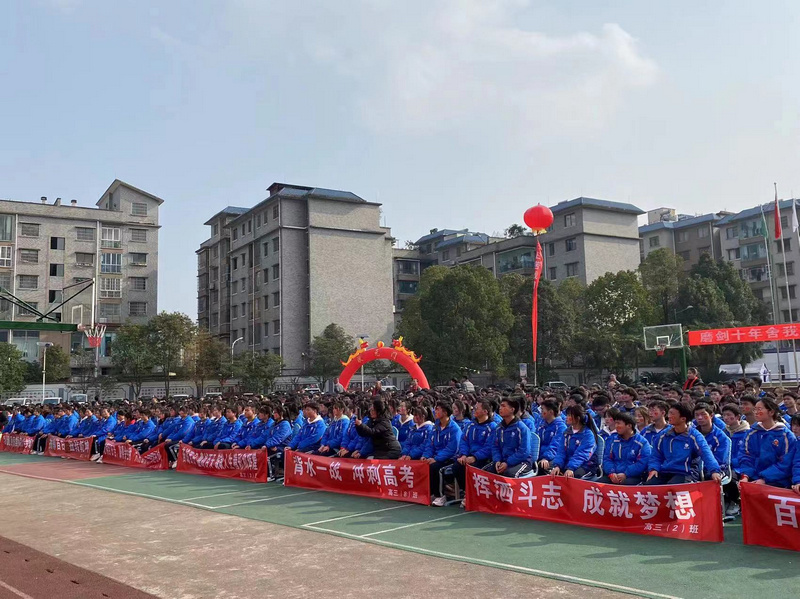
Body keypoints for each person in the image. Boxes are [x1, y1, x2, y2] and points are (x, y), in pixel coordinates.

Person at [647, 403, 722, 485]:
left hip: (686, 473)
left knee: (672, 487)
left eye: (672, 414)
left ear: (683, 419)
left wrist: (714, 471)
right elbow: (655, 455)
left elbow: (706, 454)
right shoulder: (663, 435)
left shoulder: (694, 436)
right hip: (666, 471)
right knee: (650, 485)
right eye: (669, 413)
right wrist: (653, 469)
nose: (669, 416)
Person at [446, 399, 497, 505]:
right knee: (457, 466)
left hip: (484, 459)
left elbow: (489, 447)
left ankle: (474, 495)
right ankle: (467, 493)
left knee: (473, 467)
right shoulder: (470, 425)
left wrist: (475, 457)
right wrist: (464, 454)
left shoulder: (492, 427)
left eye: (477, 408)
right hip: (469, 456)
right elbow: (464, 441)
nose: (474, 410)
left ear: (485, 411)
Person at [739, 398, 797, 487]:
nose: (756, 412)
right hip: (753, 478)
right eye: (755, 409)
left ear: (771, 412)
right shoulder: (751, 433)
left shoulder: (786, 435)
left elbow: (786, 463)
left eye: (759, 409)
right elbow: (745, 456)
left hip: (778, 482)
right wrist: (745, 476)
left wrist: (764, 479)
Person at [423, 400, 463, 507]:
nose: (435, 411)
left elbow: (451, 449)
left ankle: (440, 496)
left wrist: (436, 458)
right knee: (424, 464)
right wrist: (426, 456)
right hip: (436, 456)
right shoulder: (435, 427)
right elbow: (430, 444)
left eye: (437, 409)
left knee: (437, 468)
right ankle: (431, 493)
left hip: (450, 458)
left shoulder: (454, 429)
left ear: (445, 413)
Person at [485, 397, 532, 479]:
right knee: (485, 473)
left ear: (512, 409)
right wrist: (497, 460)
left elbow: (524, 451)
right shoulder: (499, 428)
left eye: (503, 406)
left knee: (509, 474)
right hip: (503, 460)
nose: (500, 408)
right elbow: (495, 446)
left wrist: (508, 463)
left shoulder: (521, 428)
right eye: (500, 406)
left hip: (522, 462)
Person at [599, 412, 651, 484]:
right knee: (598, 484)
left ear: (629, 425)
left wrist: (626, 474)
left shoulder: (642, 442)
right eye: (616, 423)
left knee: (625, 484)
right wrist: (611, 472)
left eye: (619, 423)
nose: (616, 426)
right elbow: (607, 459)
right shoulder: (612, 440)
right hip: (614, 474)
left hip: (634, 476)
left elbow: (642, 463)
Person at [550, 404, 599, 479]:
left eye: (569, 415)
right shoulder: (567, 432)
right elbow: (561, 451)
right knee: (553, 471)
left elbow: (582, 454)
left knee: (573, 476)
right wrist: (557, 465)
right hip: (568, 462)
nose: (566, 418)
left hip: (586, 465)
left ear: (578, 418)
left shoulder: (588, 435)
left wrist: (571, 468)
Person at [722, 404, 750, 517]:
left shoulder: (746, 433)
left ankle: (736, 502)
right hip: (726, 465)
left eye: (729, 415)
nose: (726, 418)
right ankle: (727, 500)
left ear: (738, 417)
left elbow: (746, 454)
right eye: (724, 415)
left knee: (731, 478)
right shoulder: (723, 432)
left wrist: (733, 463)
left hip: (741, 466)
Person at [693, 403, 732, 479]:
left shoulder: (721, 437)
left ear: (711, 415)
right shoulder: (692, 434)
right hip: (695, 470)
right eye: (696, 415)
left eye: (703, 414)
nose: (700, 418)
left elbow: (721, 461)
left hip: (715, 470)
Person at [536, 399, 567, 473]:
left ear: (551, 412)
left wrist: (546, 458)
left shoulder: (561, 427)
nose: (540, 411)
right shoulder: (541, 425)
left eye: (543, 409)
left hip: (554, 457)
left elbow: (556, 446)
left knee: (543, 467)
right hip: (539, 455)